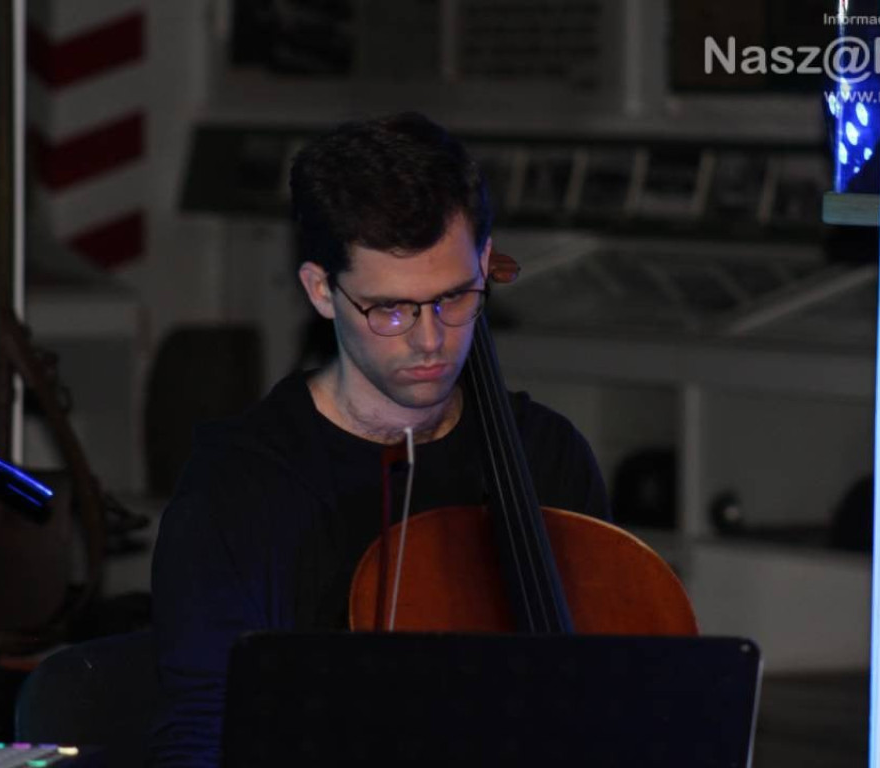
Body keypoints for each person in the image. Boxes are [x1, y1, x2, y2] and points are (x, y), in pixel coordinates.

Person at [149, 112, 610, 766]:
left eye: (455, 297)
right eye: (390, 309)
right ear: (321, 290)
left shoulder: (546, 456)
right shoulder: (240, 487)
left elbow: (614, 700)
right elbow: (203, 733)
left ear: (485, 262)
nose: (430, 339)